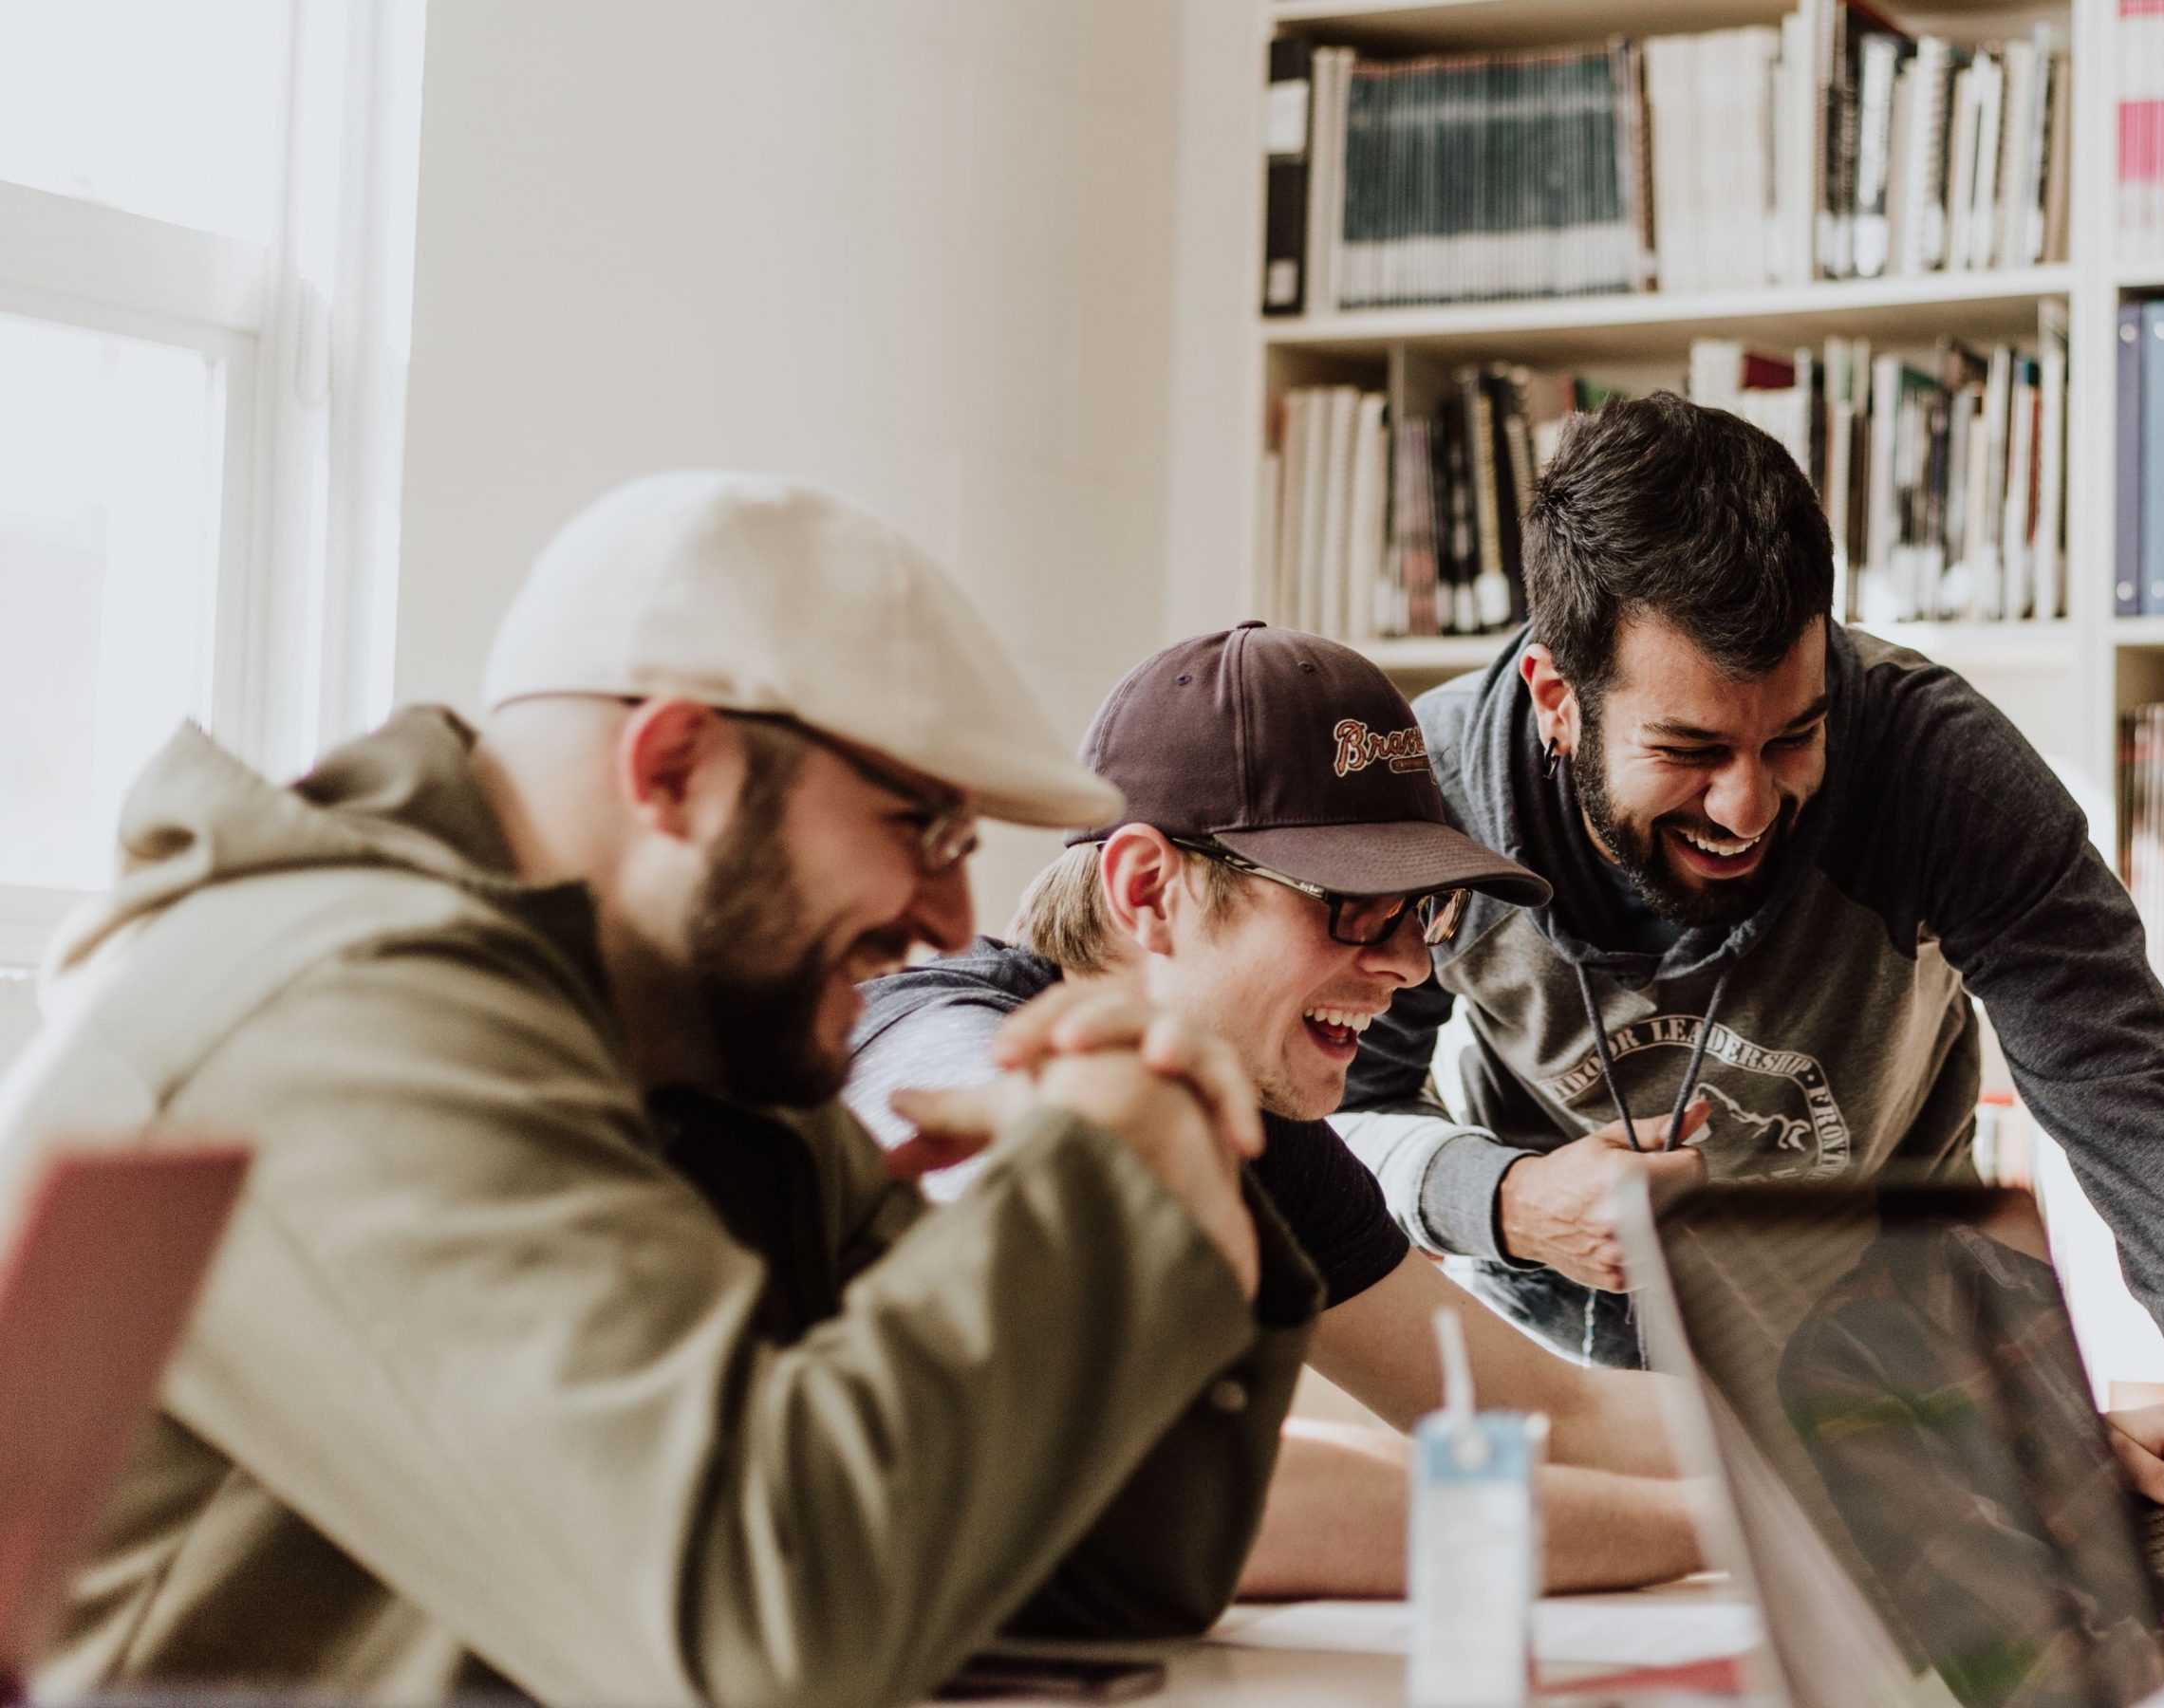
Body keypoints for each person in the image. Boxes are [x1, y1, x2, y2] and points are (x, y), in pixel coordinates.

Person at [0, 473, 1321, 1707]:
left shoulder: (703, 1057)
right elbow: (756, 1633)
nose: (950, 913)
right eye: (918, 826)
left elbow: (1077, 1583)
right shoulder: (337, 1015)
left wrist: (1183, 1192)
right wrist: (1100, 1186)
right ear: (676, 766)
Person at [847, 624, 2164, 1599]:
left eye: (1425, 916)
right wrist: (1829, 1521)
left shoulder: (1254, 1121)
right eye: (1352, 910)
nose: (1407, 967)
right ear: (1149, 889)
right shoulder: (951, 1057)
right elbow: (1181, 1488)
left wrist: (1995, 1447)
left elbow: (1538, 1407)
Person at [1334, 392, 2164, 1465]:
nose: (1746, 807)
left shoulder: (1936, 768)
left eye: (1792, 737)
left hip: (1886, 1357)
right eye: (1689, 751)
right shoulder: (1429, 803)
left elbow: (2135, 1102)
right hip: (1555, 1379)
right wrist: (1505, 1199)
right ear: (1555, 698)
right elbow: (1332, 1121)